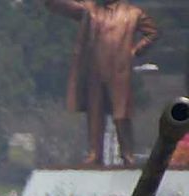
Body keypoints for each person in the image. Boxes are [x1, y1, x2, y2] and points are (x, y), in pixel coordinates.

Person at [43, 0, 159, 166]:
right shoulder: (91, 10)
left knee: (121, 114)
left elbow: (152, 33)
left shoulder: (133, 13)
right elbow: (65, 6)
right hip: (94, 69)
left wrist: (135, 50)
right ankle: (94, 153)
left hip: (119, 70)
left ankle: (127, 154)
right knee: (94, 113)